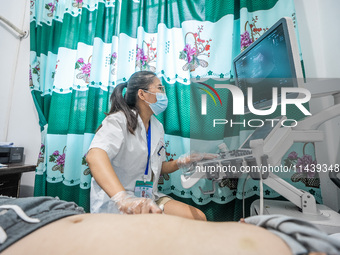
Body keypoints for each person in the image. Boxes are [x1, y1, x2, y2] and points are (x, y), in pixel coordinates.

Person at [86, 71, 207, 220]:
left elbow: (158, 167)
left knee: (198, 218)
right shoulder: (118, 121)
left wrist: (182, 162)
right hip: (118, 201)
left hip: (149, 196)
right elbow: (94, 156)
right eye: (160, 88)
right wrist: (122, 198)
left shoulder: (157, 126)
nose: (164, 93)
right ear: (142, 94)